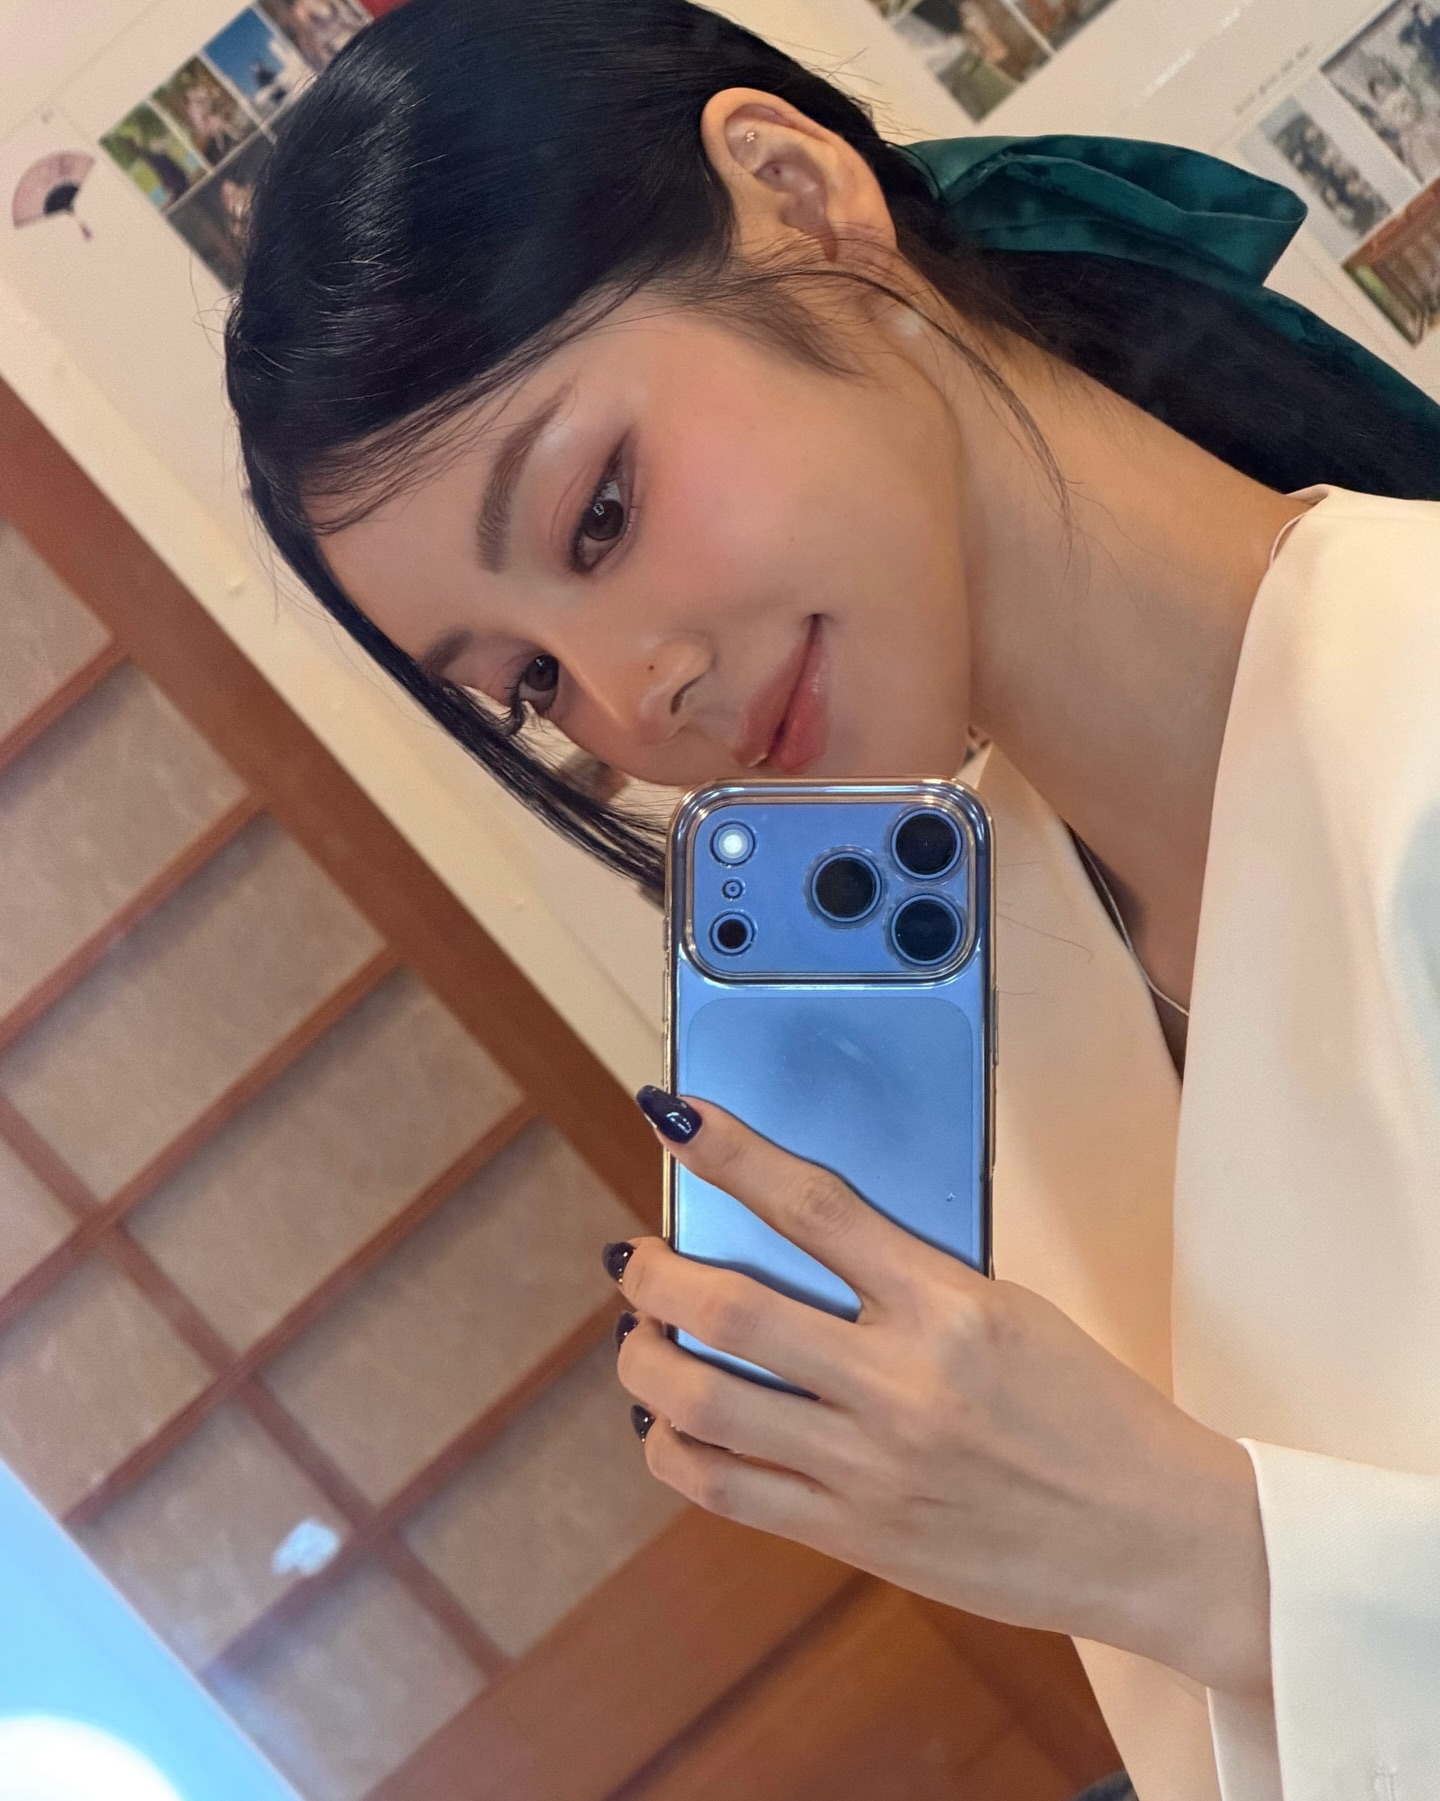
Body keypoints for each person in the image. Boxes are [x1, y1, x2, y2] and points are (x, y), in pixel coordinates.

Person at [224, 3, 1440, 1797]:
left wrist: (1211, 1559)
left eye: (600, 512)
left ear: (800, 196)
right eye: (531, 685)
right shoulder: (997, 986)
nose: (635, 698)